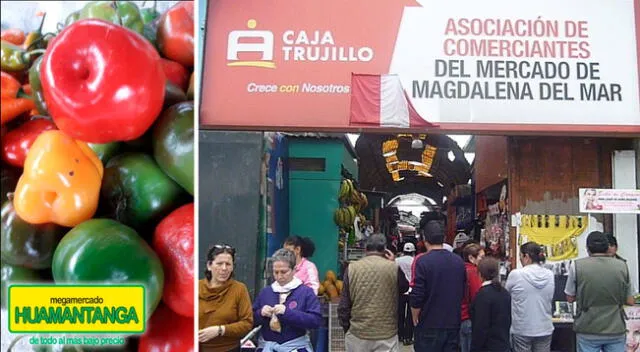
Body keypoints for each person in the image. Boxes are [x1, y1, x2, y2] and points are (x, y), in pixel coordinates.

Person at [564, 231, 635, 352]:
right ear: (607, 247)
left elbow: (570, 298)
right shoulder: (622, 266)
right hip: (615, 328)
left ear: (587, 248)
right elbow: (630, 301)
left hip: (587, 327)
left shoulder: (576, 266)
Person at [338, 233, 409, 352]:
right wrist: (393, 262)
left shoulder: (352, 268)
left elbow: (344, 306)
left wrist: (348, 328)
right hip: (386, 334)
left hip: (358, 334)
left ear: (366, 249)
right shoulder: (393, 267)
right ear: (385, 250)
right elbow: (404, 288)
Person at [410, 220, 466, 352]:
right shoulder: (458, 261)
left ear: (424, 239)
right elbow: (463, 289)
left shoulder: (423, 261)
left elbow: (417, 295)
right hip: (452, 323)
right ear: (444, 238)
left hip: (429, 323)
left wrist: (414, 317)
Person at [253, 248, 322, 352]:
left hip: (296, 348)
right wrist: (261, 313)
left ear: (294, 270)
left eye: (284, 272)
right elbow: (250, 319)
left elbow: (315, 321)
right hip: (268, 347)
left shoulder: (305, 292)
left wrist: (287, 313)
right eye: (276, 272)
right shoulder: (266, 292)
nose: (279, 276)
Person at [199, 244, 254, 352]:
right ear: (209, 265)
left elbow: (247, 323)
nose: (224, 268)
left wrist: (220, 330)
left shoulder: (239, 289)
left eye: (228, 264)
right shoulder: (196, 287)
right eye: (219, 264)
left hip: (228, 349)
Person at [506, 242, 555, 352]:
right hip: (544, 326)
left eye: (520, 257)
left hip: (522, 328)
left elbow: (506, 296)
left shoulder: (516, 275)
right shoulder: (549, 274)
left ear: (526, 256)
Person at [471, 257, 511, 352]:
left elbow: (481, 326)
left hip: (488, 346)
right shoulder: (504, 292)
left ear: (480, 274)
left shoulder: (483, 295)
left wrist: (475, 347)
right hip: (503, 343)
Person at [460, 243, 485, 352]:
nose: (484, 261)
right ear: (471, 258)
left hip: (460, 317)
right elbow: (477, 295)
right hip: (469, 318)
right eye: (482, 257)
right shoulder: (473, 272)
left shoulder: (461, 269)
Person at [396, 242, 416, 345]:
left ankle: (400, 335)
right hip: (412, 290)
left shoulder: (397, 261)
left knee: (399, 313)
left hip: (400, 290)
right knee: (410, 314)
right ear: (413, 251)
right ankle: (408, 337)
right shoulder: (415, 260)